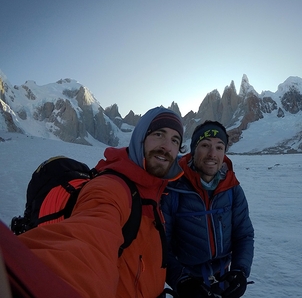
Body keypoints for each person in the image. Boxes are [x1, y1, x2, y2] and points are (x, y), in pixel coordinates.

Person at [18, 107, 185, 298]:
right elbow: (85, 250)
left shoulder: (154, 189)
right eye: (159, 134)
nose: (166, 146)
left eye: (175, 140)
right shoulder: (112, 188)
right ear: (140, 138)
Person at [161, 120, 254, 298]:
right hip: (188, 284)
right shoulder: (172, 189)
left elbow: (244, 234)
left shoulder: (232, 189)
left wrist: (240, 271)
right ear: (194, 149)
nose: (213, 154)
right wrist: (180, 279)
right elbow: (161, 244)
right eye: (205, 145)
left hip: (224, 280)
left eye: (219, 147)